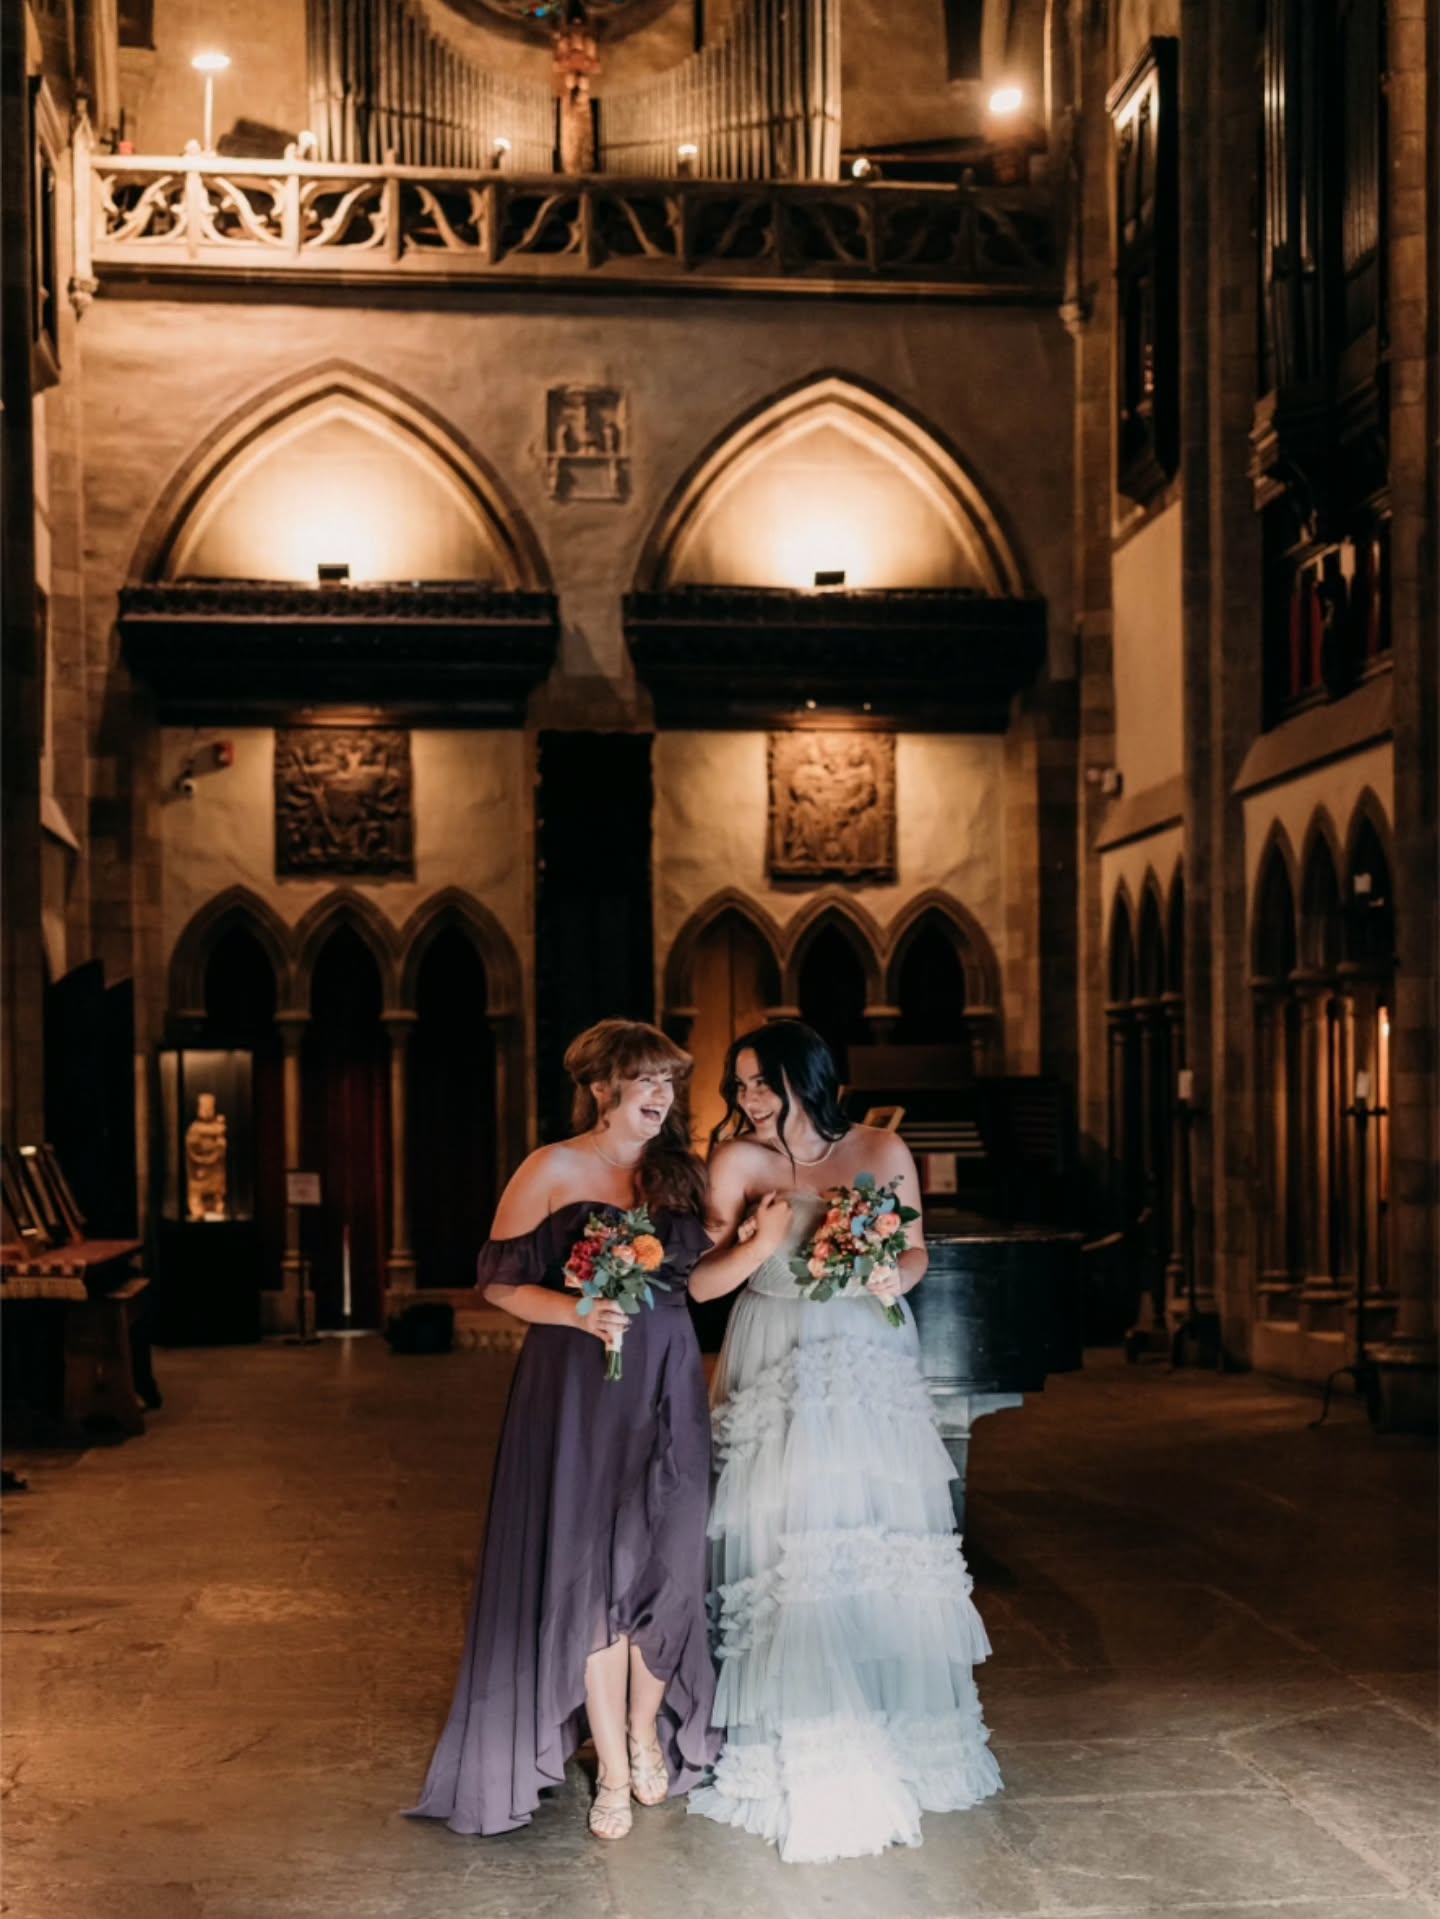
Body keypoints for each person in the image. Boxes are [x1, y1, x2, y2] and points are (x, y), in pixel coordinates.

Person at [687, 1019, 1001, 1863]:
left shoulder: (882, 1146)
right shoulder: (737, 1162)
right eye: (740, 1086)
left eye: (762, 1084)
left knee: (875, 1532)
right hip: (777, 1343)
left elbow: (917, 1248)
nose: (748, 1101)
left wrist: (888, 1271)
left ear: (809, 1079)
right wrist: (755, 1241)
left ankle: (892, 1718)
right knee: (789, 1532)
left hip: (866, 1349)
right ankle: (802, 1726)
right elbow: (698, 1278)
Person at [406, 1019, 719, 1842]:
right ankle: (613, 1769)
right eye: (647, 1081)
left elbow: (694, 1281)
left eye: (670, 1083)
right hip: (579, 1389)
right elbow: (499, 1283)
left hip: (668, 1379)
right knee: (591, 1575)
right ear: (600, 1088)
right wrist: (581, 1310)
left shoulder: (678, 1172)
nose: (662, 1097)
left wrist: (760, 1246)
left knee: (673, 1562)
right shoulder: (550, 1167)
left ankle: (648, 1727)